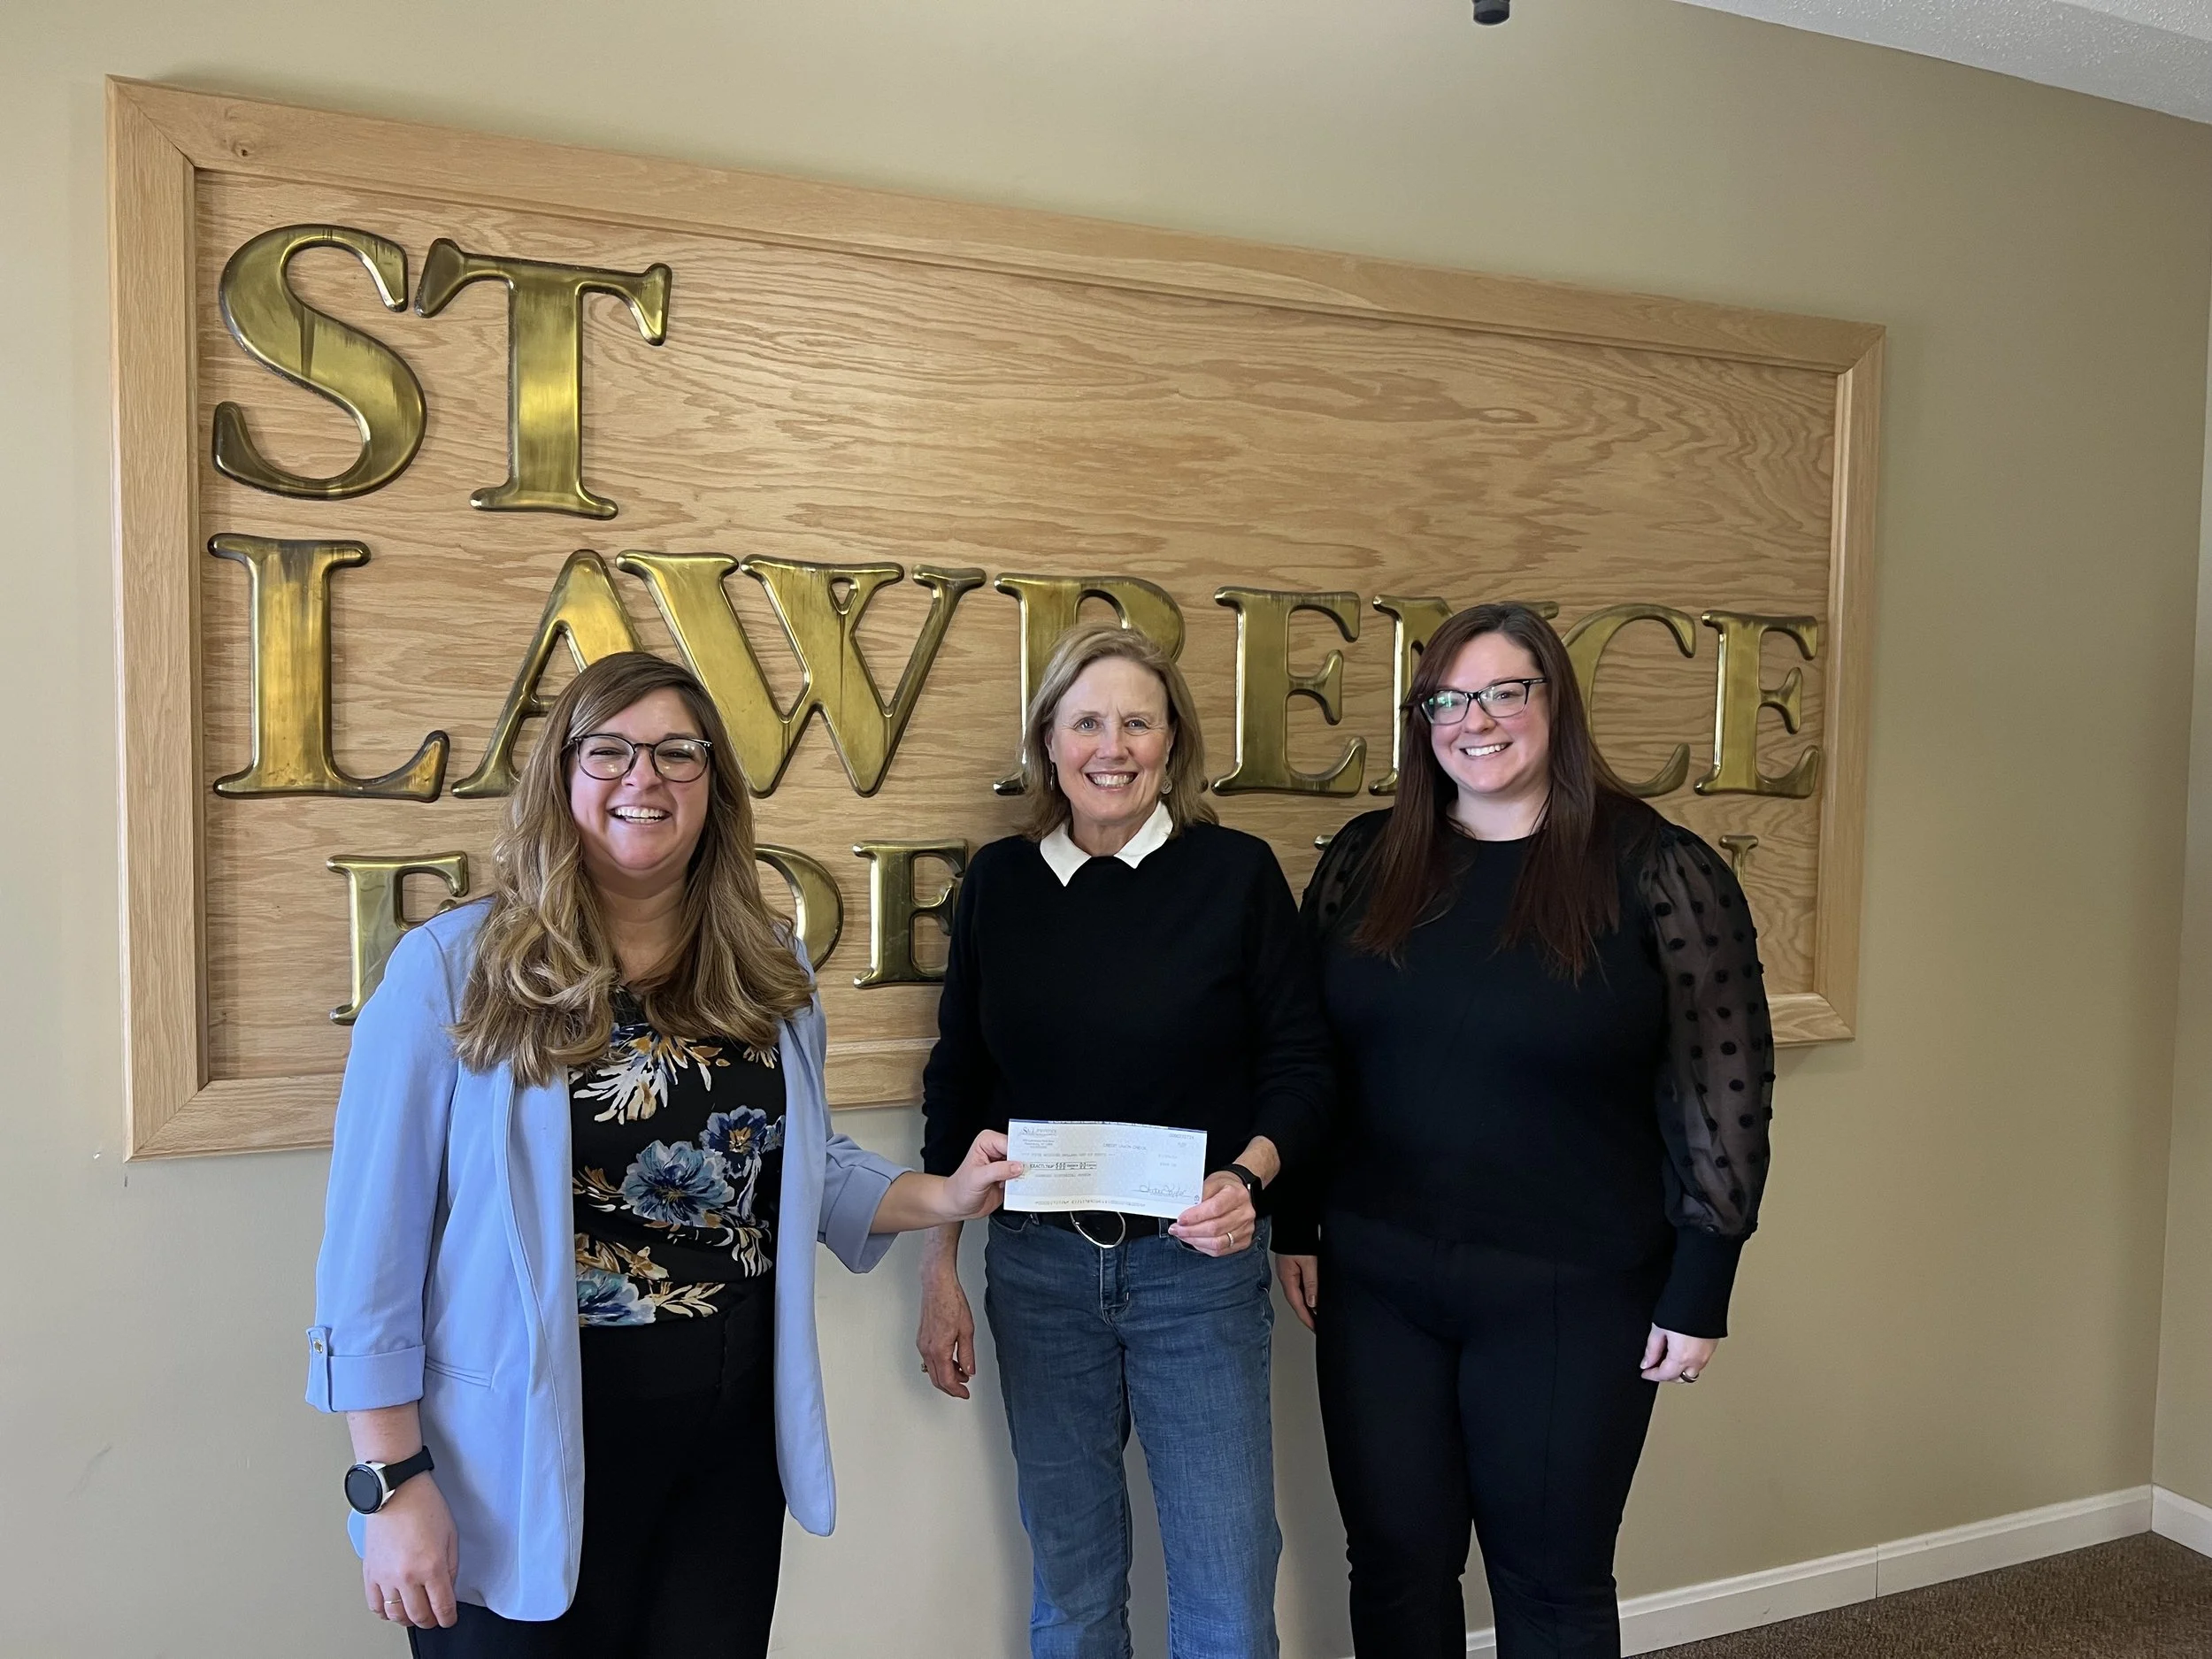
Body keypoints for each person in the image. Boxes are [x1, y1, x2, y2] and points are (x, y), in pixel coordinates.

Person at [306, 650, 1021, 1659]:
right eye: (609, 751)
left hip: (725, 1440)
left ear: (714, 788)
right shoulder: (454, 972)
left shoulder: (767, 971)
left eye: (677, 754)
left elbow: (800, 1163)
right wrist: (390, 1481)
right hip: (519, 1446)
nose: (644, 778)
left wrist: (947, 1193)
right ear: (562, 779)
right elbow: (367, 1255)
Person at [1277, 601, 1775, 1659]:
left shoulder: (1658, 870)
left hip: (1573, 1290)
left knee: (1549, 1583)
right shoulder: (1368, 860)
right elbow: (1311, 1060)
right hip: (1379, 1282)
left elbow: (1722, 1091)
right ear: (1423, 721)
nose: (1477, 721)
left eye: (1506, 692)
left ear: (1555, 703)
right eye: (1449, 700)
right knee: (1397, 1566)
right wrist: (1296, 1222)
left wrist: (1702, 1285)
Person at [915, 621, 1333, 1659]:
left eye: (1138, 722)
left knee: (1225, 1586)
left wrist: (1251, 1178)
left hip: (1193, 1271)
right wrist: (940, 1270)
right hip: (1040, 1271)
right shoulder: (999, 886)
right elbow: (958, 1084)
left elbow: (1302, 1065)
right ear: (1049, 742)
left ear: (1171, 742)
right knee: (1071, 1583)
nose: (1114, 745)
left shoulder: (1234, 875)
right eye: (1088, 721)